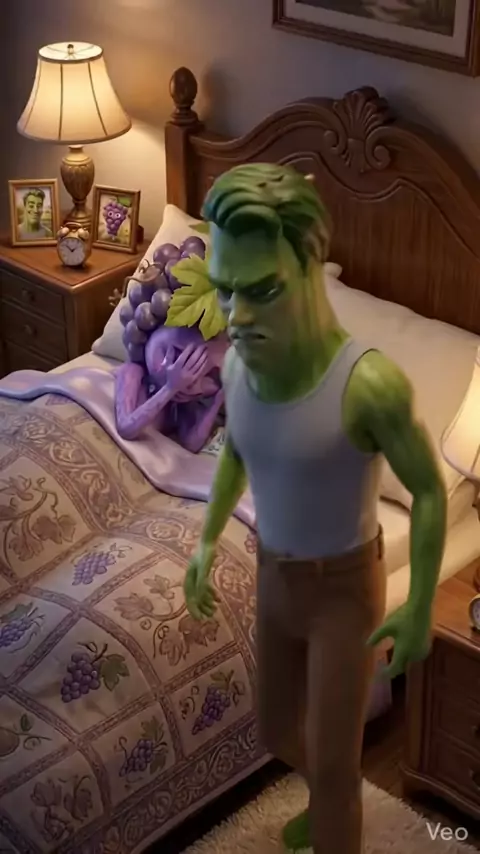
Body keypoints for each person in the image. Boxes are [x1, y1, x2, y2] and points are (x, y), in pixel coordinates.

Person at [183, 163, 447, 854]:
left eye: (262, 290)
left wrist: (421, 603)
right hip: (274, 576)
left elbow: (426, 490)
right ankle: (333, 793)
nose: (235, 317)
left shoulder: (370, 385)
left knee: (334, 764)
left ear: (310, 268)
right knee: (276, 732)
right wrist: (207, 541)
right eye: (224, 289)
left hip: (343, 592)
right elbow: (239, 453)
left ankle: (334, 806)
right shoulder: (238, 365)